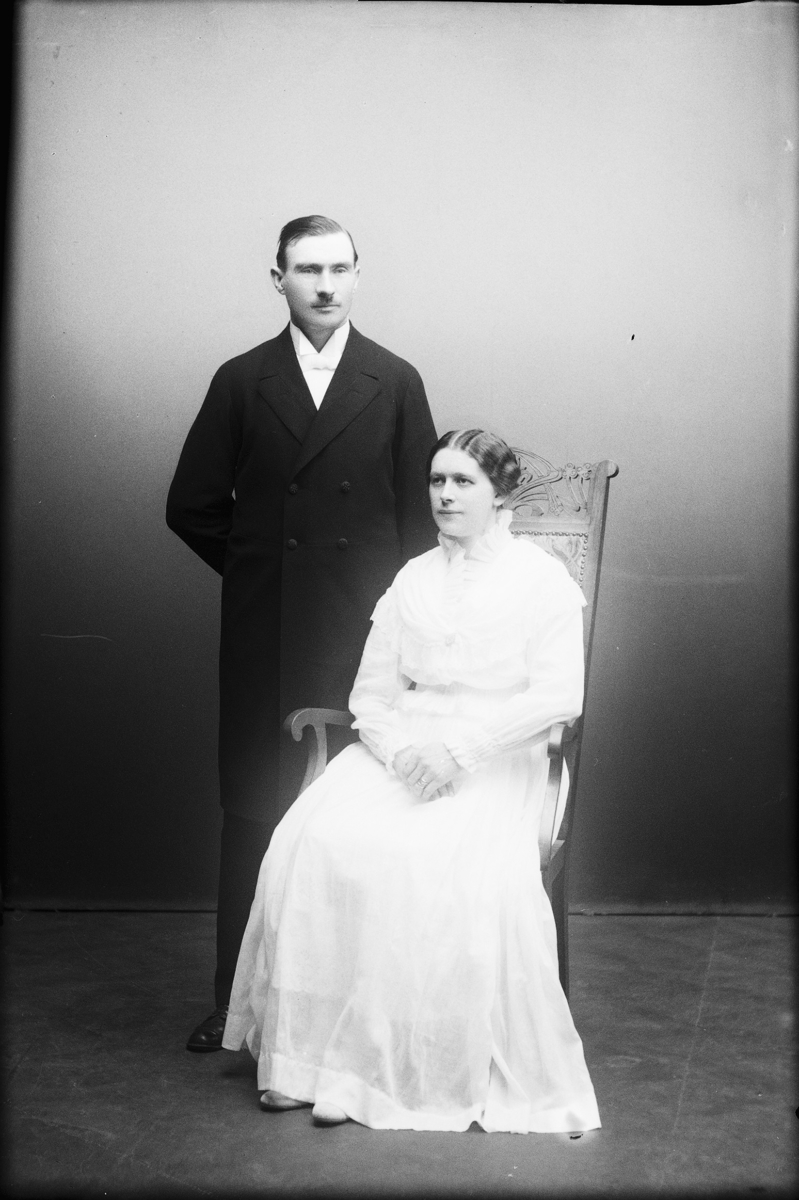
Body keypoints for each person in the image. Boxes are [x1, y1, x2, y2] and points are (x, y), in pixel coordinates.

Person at [221, 429, 601, 1134]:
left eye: (463, 482)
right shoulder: (412, 578)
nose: (446, 496)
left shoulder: (540, 578)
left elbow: (558, 696)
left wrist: (460, 751)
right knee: (316, 840)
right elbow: (370, 696)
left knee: (420, 858)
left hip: (496, 758)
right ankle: (306, 1063)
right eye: (436, 481)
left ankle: (384, 1071)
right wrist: (400, 755)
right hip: (402, 751)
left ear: (501, 494)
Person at [165, 216, 437, 1052]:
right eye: (308, 269)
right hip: (268, 633)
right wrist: (264, 572)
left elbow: (422, 523)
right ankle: (235, 1004)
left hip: (366, 634)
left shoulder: (394, 379)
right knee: (256, 808)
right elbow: (190, 505)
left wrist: (396, 618)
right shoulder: (241, 380)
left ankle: (352, 1013)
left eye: (339, 269)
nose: (325, 285)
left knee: (360, 817)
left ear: (357, 275)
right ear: (276, 278)